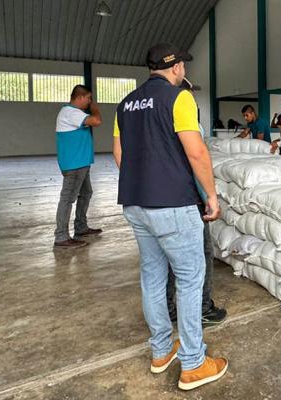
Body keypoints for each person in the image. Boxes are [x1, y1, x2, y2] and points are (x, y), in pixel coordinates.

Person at [112, 43, 227, 391]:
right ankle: (193, 363)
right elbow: (196, 152)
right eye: (183, 66)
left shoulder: (125, 104)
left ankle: (161, 351)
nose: (184, 71)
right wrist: (211, 195)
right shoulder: (179, 98)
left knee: (152, 276)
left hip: (135, 202)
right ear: (176, 67)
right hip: (173, 204)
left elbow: (120, 155)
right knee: (190, 278)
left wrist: (144, 182)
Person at [165, 78, 227, 328]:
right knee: (200, 254)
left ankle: (168, 309)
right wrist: (209, 198)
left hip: (157, 198)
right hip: (188, 198)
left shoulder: (153, 117)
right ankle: (202, 309)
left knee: (165, 257)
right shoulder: (188, 121)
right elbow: (196, 158)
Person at [53, 85, 103, 248]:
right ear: (80, 97)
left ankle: (81, 227)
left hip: (81, 163)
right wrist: (95, 109)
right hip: (74, 165)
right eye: (88, 98)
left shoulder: (75, 113)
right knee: (67, 198)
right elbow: (96, 121)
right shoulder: (70, 112)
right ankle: (61, 236)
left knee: (86, 193)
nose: (90, 102)